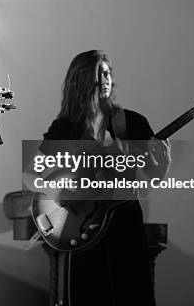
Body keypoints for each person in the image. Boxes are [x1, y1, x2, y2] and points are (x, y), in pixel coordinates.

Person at [41, 50, 171, 305]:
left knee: (134, 296)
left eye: (108, 73)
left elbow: (149, 180)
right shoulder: (65, 128)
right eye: (98, 73)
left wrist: (163, 163)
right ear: (80, 80)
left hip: (126, 226)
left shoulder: (131, 123)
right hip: (84, 228)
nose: (105, 79)